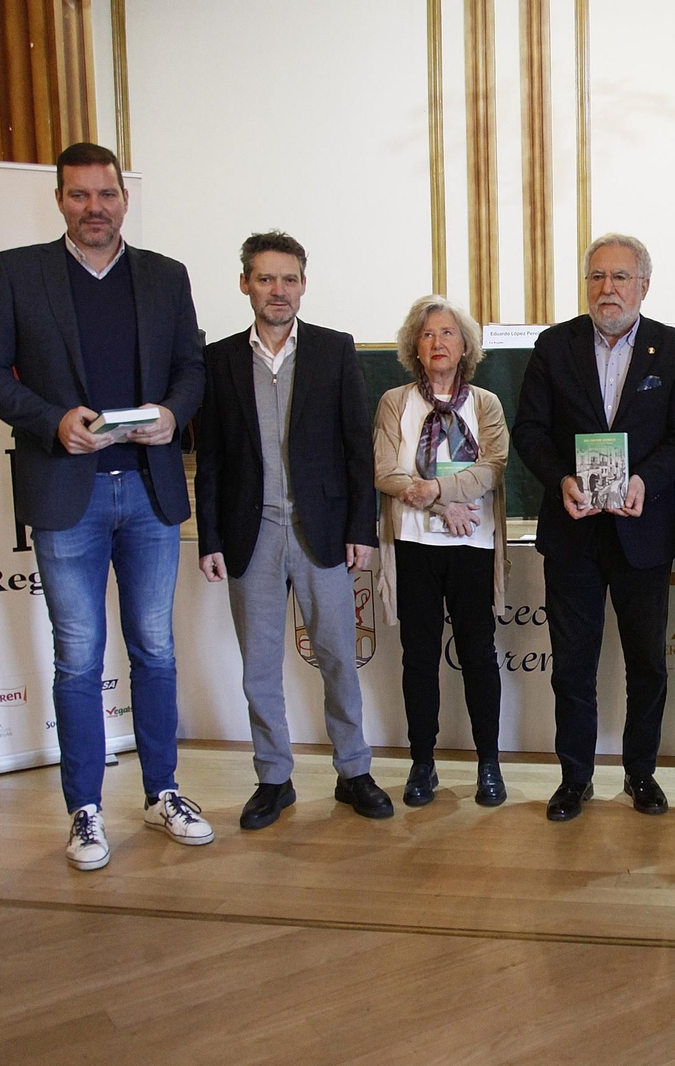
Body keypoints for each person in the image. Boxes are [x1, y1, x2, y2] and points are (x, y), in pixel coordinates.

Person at [0, 142, 212, 869]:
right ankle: (85, 810)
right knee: (77, 657)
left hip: (148, 488)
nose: (94, 208)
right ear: (60, 200)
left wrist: (174, 413)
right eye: (79, 195)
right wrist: (51, 421)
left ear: (124, 200)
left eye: (106, 194)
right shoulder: (18, 272)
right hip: (66, 488)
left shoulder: (165, 275)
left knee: (155, 648)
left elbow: (191, 367)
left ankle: (163, 792)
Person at [195, 230, 390, 828]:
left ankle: (353, 770)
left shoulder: (334, 350)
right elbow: (212, 458)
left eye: (289, 279)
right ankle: (273, 779)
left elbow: (356, 447)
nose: (277, 290)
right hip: (250, 533)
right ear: (245, 284)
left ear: (303, 285)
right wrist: (210, 537)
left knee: (337, 657)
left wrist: (362, 527)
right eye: (265, 278)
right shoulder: (219, 360)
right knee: (259, 667)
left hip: (322, 531)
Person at [512, 233, 675, 821]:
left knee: (647, 664)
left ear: (643, 285)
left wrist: (647, 479)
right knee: (573, 666)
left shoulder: (673, 349)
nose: (608, 288)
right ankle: (575, 778)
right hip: (572, 531)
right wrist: (560, 480)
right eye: (597, 276)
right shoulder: (555, 345)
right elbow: (529, 431)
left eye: (620, 277)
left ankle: (640, 773)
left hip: (642, 534)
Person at [373, 296, 510, 808]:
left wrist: (436, 490)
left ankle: (489, 764)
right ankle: (422, 763)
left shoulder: (486, 404)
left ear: (465, 345)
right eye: (427, 334)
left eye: (448, 333)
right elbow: (385, 471)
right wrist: (440, 504)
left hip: (473, 544)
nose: (437, 342)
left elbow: (493, 467)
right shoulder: (394, 402)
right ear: (415, 346)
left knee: (479, 655)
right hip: (414, 545)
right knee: (419, 657)